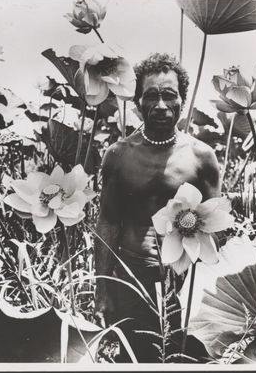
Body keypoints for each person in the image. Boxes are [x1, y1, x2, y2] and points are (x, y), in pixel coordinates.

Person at [93, 53, 221, 362]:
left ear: (182, 99)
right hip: (130, 281)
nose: (161, 105)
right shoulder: (119, 154)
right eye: (151, 96)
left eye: (169, 95)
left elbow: (215, 228)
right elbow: (107, 223)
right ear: (137, 102)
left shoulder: (202, 157)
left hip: (185, 286)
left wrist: (201, 290)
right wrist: (102, 290)